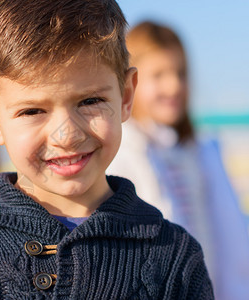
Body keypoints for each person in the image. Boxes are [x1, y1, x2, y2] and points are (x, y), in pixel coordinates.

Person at [0, 2, 214, 299]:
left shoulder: (175, 259)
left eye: (90, 101)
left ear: (126, 95)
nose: (66, 135)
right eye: (33, 111)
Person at [107, 21, 249, 300]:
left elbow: (231, 235)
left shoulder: (201, 152)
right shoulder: (122, 154)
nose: (174, 85)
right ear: (130, 83)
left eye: (180, 73)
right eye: (159, 75)